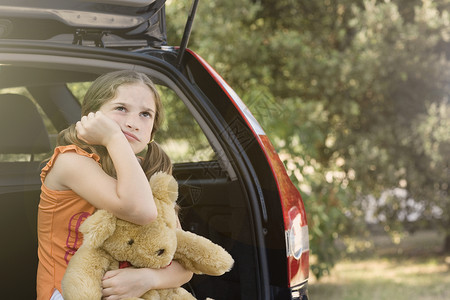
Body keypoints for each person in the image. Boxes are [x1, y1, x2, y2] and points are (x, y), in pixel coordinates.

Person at [36, 70, 193, 300]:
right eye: (121, 109)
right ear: (92, 116)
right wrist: (113, 138)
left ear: (152, 130)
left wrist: (147, 279)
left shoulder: (143, 174)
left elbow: (184, 263)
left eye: (146, 114)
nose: (133, 123)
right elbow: (142, 211)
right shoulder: (70, 161)